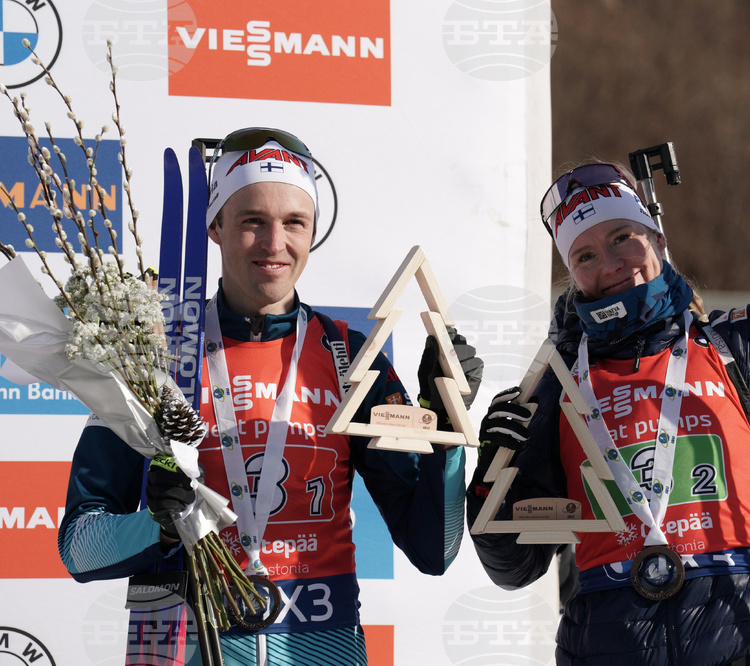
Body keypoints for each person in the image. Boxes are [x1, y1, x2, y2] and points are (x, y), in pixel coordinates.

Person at [466, 103, 750, 663]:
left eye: (623, 236)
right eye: (585, 254)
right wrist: (492, 475)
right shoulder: (557, 384)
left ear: (655, 237)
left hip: (739, 642)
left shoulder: (738, 344)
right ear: (571, 273)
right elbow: (513, 566)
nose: (611, 263)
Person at [58, 127, 482, 665]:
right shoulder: (154, 356)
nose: (274, 243)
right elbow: (78, 546)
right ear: (214, 225)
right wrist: (158, 526)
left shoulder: (350, 358)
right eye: (252, 221)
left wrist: (447, 434)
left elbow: (434, 549)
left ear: (312, 233)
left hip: (322, 649)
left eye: (294, 223)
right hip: (185, 646)